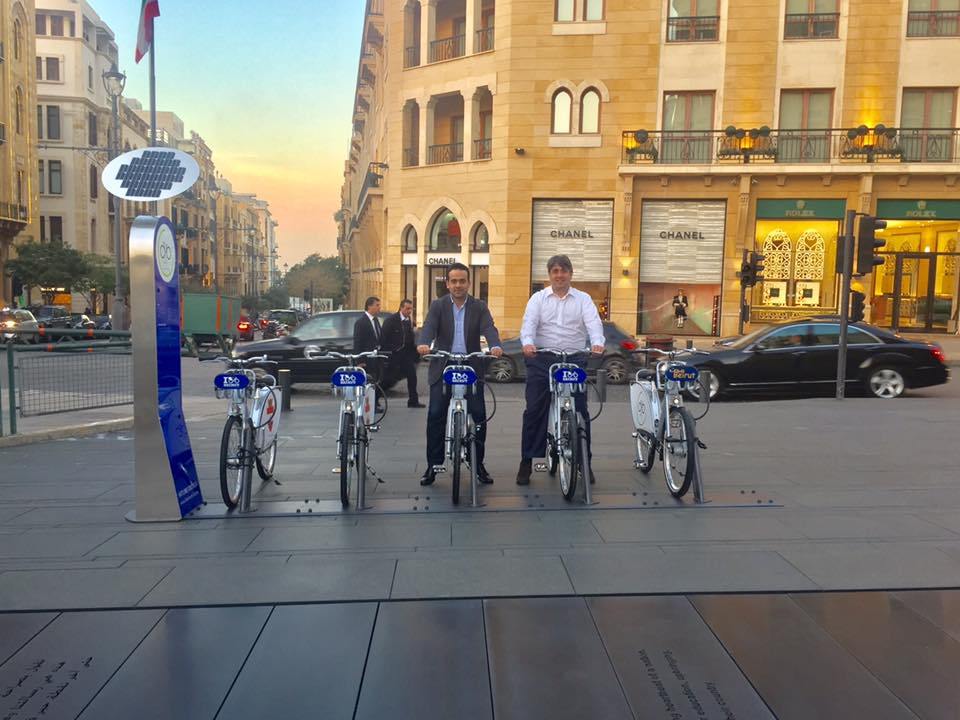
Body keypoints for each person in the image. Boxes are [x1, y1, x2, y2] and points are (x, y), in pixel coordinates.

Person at [516, 254, 604, 486]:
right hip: (542, 357)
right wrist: (527, 342)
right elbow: (529, 324)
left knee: (581, 411)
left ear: (570, 274)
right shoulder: (538, 298)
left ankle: (585, 462)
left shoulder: (583, 299)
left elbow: (593, 323)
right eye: (555, 271)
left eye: (564, 271)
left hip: (574, 359)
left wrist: (597, 342)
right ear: (549, 275)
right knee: (534, 409)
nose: (559, 275)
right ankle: (527, 462)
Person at [416, 263, 503, 487]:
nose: (458, 285)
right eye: (453, 281)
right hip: (444, 366)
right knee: (435, 414)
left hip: (471, 366)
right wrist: (424, 343)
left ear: (468, 283)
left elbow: (489, 328)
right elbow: (428, 327)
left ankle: (478, 464)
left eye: (462, 281)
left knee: (479, 415)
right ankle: (433, 465)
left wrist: (494, 345)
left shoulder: (479, 306)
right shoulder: (438, 306)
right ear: (447, 284)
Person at [380, 298, 423, 408]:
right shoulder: (391, 320)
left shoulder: (409, 320)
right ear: (401, 308)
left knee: (412, 376)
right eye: (407, 308)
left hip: (406, 355)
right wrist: (389, 351)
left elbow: (410, 338)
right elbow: (384, 337)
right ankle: (375, 398)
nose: (409, 311)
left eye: (411, 309)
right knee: (389, 380)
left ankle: (413, 401)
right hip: (395, 355)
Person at [352, 296, 384, 409]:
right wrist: (359, 361)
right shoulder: (361, 322)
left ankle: (374, 404)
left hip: (376, 358)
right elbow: (357, 341)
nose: (379, 308)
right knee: (368, 384)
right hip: (366, 360)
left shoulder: (376, 321)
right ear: (369, 306)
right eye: (377, 305)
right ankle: (369, 406)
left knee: (375, 383)